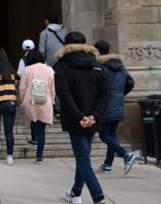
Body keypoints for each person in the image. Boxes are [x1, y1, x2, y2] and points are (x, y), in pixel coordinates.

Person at [54, 31, 110, 204]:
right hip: (92, 118)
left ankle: (98, 197)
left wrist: (80, 116)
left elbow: (64, 94)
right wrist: (94, 116)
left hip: (76, 118)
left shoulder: (61, 66)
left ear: (66, 45)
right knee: (83, 156)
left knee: (83, 158)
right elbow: (105, 93)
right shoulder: (98, 65)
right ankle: (75, 193)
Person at [94, 40, 137, 175]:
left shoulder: (100, 66)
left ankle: (126, 155)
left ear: (96, 50)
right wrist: (119, 94)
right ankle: (108, 164)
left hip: (105, 103)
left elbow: (97, 86)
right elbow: (130, 82)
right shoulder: (120, 66)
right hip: (117, 102)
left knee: (103, 135)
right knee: (111, 135)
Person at [20, 49, 55, 163]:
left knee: (33, 120)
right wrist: (53, 100)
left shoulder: (27, 69)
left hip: (30, 101)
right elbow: (52, 88)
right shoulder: (49, 69)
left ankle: (33, 138)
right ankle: (39, 155)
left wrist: (21, 101)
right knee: (42, 131)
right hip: (45, 101)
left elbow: (22, 88)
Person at [17, 39, 37, 146]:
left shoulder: (23, 59)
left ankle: (34, 137)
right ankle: (39, 137)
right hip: (41, 87)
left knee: (33, 115)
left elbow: (20, 73)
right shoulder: (40, 58)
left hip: (29, 87)